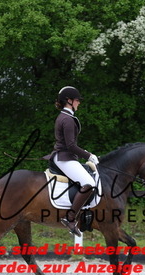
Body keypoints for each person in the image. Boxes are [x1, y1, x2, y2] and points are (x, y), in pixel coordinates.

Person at [47, 86, 99, 237]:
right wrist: (88, 156)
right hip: (65, 158)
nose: (79, 103)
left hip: (66, 156)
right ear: (68, 101)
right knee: (89, 183)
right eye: (77, 100)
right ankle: (70, 218)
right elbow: (70, 146)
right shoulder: (67, 119)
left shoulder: (65, 117)